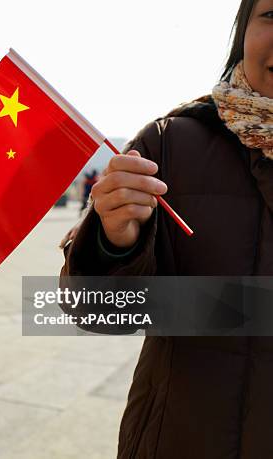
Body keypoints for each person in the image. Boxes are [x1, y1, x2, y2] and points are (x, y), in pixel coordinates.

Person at [60, 0, 273, 457]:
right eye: (272, 16)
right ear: (242, 34)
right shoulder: (167, 146)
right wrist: (115, 240)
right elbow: (99, 312)